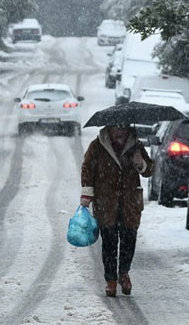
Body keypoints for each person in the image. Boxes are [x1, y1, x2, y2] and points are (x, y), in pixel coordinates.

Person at [80, 124, 153, 297]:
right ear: (109, 128)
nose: (120, 130)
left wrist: (140, 163)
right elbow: (87, 169)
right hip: (106, 202)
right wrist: (87, 194)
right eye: (116, 127)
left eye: (123, 127)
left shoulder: (136, 146)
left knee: (129, 240)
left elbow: (149, 169)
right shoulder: (97, 145)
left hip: (130, 203)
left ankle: (124, 273)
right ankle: (111, 280)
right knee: (109, 243)